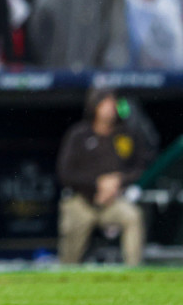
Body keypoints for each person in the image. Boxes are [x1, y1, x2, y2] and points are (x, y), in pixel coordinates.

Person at [56, 89, 153, 266]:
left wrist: (117, 181)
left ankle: (134, 271)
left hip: (112, 201)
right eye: (105, 104)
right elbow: (65, 173)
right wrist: (97, 184)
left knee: (133, 216)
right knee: (69, 260)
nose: (110, 109)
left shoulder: (125, 135)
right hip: (81, 201)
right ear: (95, 106)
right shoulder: (79, 134)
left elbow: (141, 167)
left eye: (113, 104)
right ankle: (66, 274)